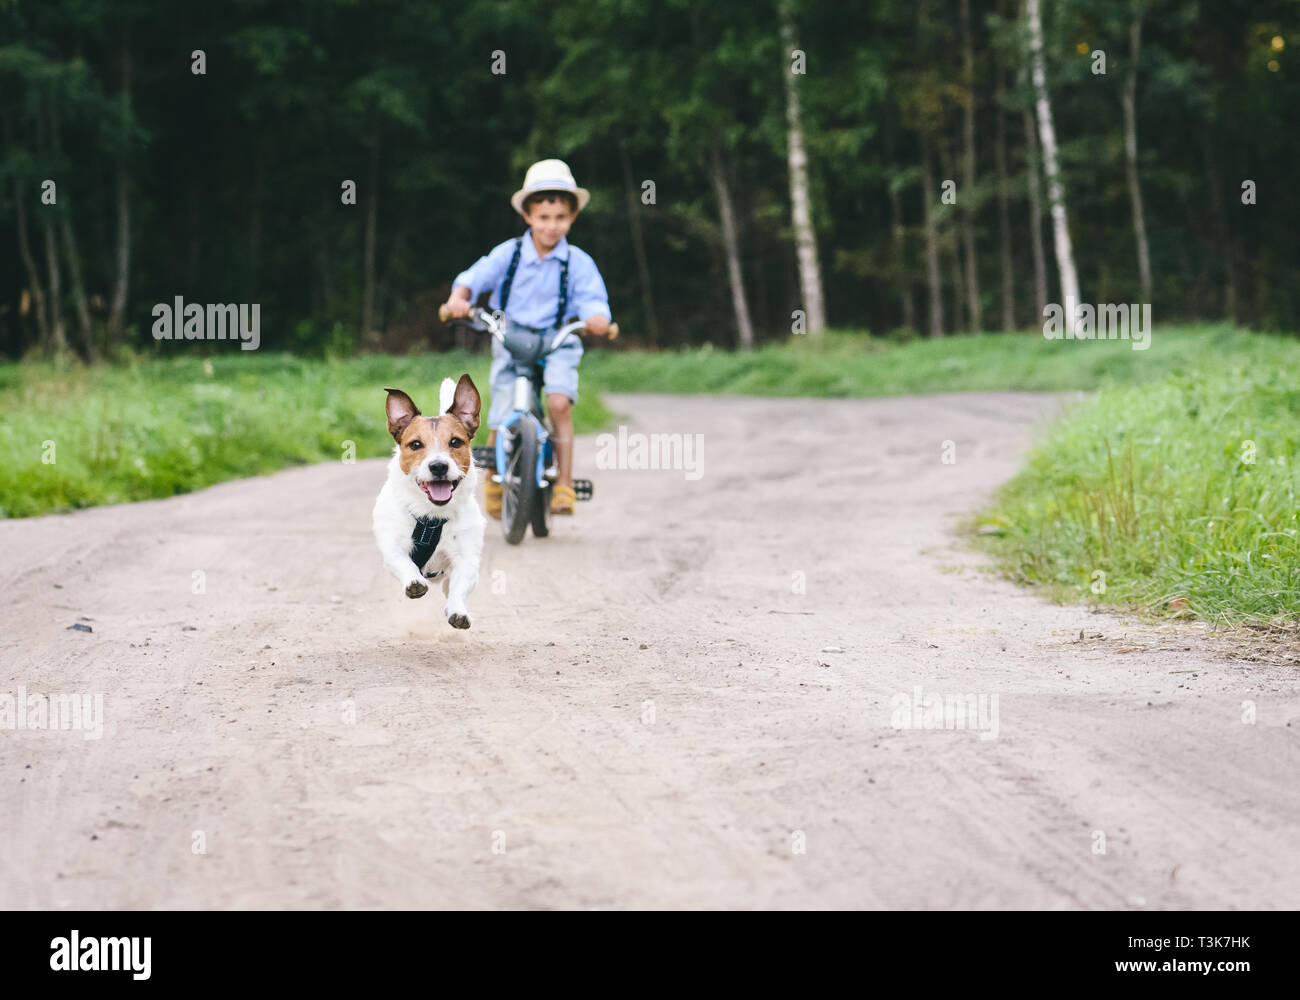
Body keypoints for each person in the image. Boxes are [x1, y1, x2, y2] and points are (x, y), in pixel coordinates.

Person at [442, 159, 612, 517]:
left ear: (572, 218)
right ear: (528, 217)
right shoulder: (511, 254)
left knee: (558, 403)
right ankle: (491, 481)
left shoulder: (578, 262)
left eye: (561, 218)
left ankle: (564, 484)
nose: (552, 226)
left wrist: (598, 317)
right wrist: (461, 298)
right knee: (500, 413)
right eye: (544, 218)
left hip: (557, 341)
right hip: (511, 337)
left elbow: (593, 297)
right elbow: (475, 276)